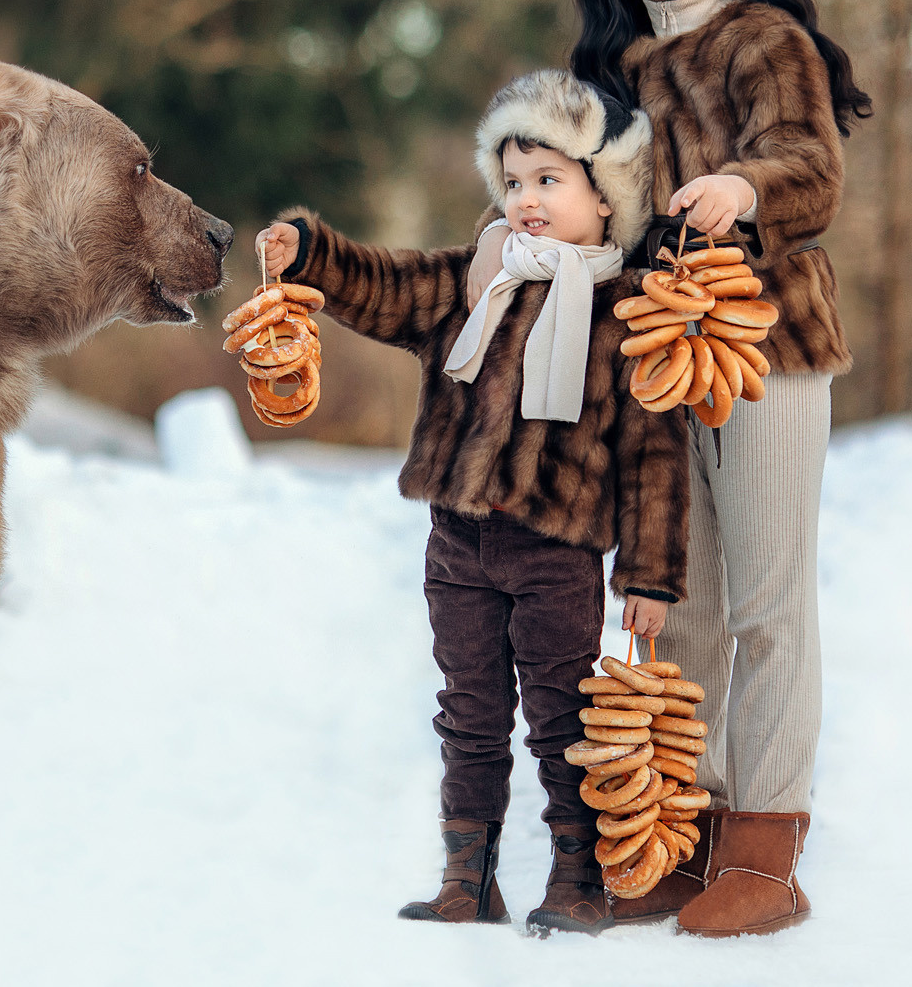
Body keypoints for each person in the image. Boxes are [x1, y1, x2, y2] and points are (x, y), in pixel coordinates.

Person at [467, 0, 869, 937]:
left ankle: (767, 845)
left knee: (766, 601)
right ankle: (676, 835)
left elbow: (808, 161)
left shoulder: (764, 39)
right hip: (653, 356)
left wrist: (742, 182)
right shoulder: (612, 73)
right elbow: (578, 206)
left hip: (763, 342)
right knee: (676, 602)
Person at [257, 68, 688, 937]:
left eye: (550, 180)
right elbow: (379, 286)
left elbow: (652, 455)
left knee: (565, 709)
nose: (528, 200)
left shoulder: (625, 309)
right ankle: (469, 873)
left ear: (604, 199)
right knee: (469, 707)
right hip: (457, 542)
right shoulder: (472, 278)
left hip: (556, 550)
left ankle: (576, 874)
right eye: (515, 182)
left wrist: (650, 573)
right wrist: (309, 252)